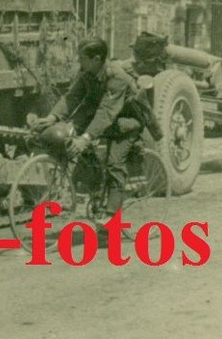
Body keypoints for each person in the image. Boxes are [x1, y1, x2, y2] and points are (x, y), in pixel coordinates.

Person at [33, 37, 159, 217]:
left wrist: (85, 138)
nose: (79, 61)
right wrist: (52, 117)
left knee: (114, 163)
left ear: (97, 59)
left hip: (126, 122)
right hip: (99, 118)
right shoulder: (87, 73)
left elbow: (106, 112)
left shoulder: (117, 77)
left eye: (82, 58)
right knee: (65, 137)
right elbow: (72, 97)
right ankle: (95, 185)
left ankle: (110, 216)